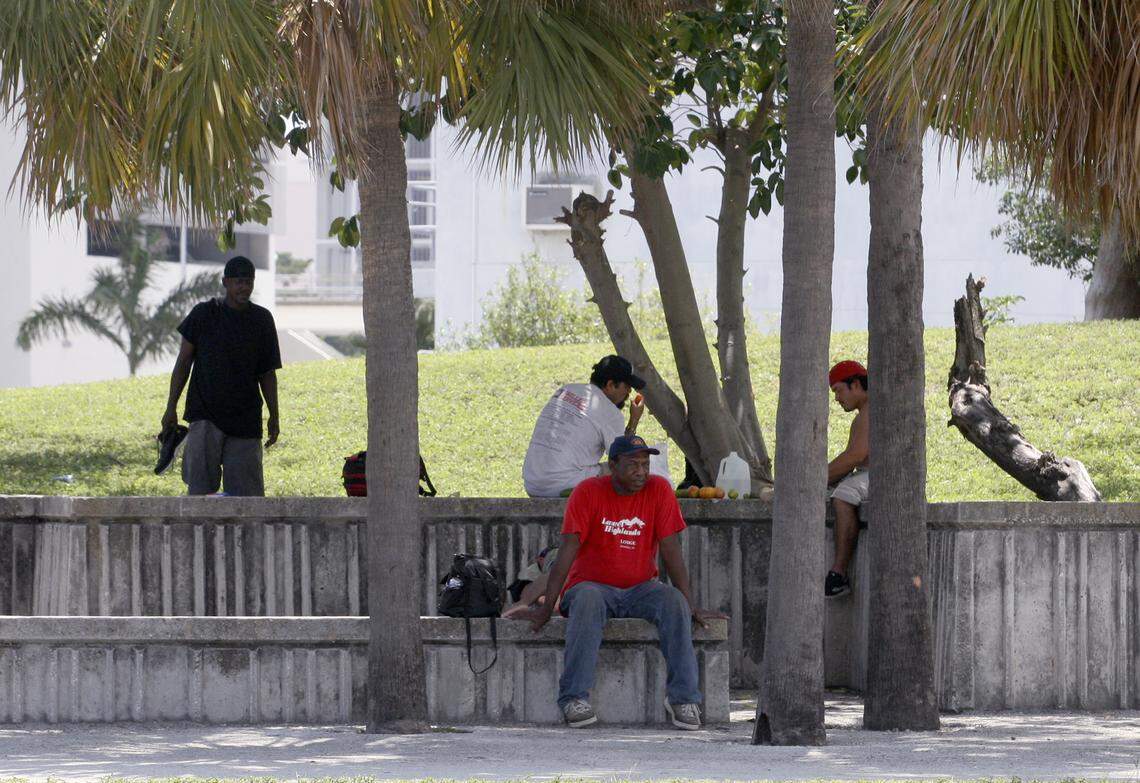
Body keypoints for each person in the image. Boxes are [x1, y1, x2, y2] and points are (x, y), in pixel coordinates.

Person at [513, 435, 726, 730]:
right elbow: (567, 550)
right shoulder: (587, 492)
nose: (641, 471)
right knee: (587, 599)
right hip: (591, 586)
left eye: (645, 464)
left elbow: (671, 550)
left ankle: (683, 697)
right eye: (632, 465)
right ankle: (573, 697)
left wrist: (689, 603)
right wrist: (547, 606)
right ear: (612, 466)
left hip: (641, 588)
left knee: (673, 601)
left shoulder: (659, 490)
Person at [160, 256, 282, 496]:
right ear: (225, 282)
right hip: (205, 416)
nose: (244, 287)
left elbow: (267, 374)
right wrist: (170, 407)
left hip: (246, 420)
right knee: (200, 494)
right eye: (238, 282)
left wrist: (274, 416)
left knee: (247, 498)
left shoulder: (262, 320)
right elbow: (183, 362)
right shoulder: (204, 314)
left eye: (248, 282)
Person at [522, 355, 646, 497]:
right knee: (630, 469)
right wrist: (634, 419)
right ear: (610, 385)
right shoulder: (610, 412)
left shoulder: (564, 391)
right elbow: (624, 457)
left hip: (532, 483)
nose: (629, 392)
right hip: (563, 485)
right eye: (627, 386)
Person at [825, 360, 869, 598]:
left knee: (843, 495)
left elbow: (856, 456)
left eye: (838, 391)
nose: (837, 398)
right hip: (866, 475)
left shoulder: (871, 411)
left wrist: (818, 478)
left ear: (855, 384)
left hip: (875, 477)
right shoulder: (866, 413)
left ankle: (839, 572)